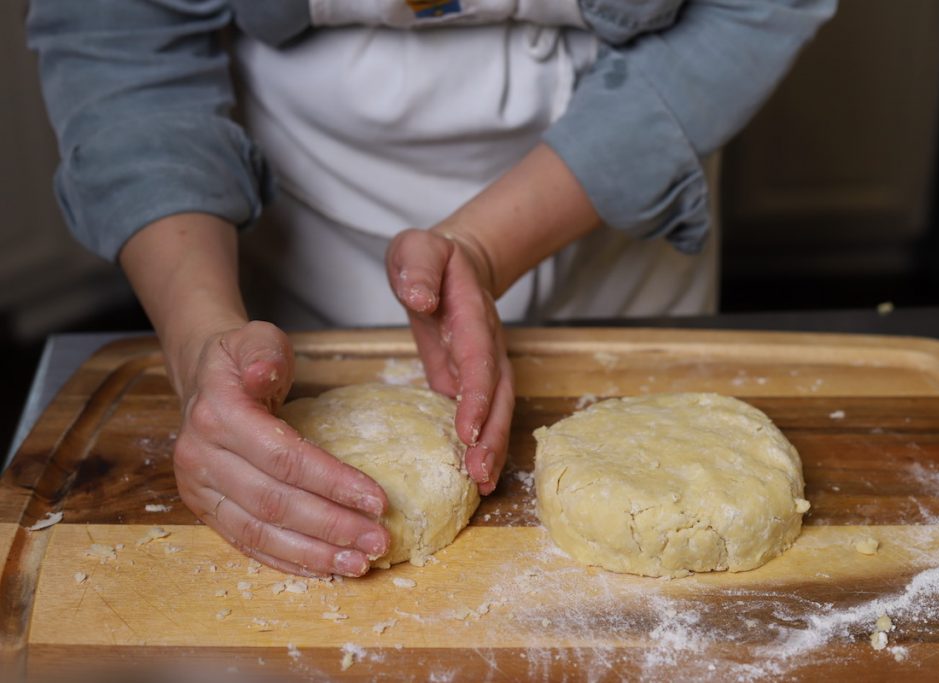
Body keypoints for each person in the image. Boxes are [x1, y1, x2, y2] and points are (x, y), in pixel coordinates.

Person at [27, 0, 836, 578]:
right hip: (312, 226)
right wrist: (202, 336)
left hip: (624, 214)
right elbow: (117, 31)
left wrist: (487, 241)